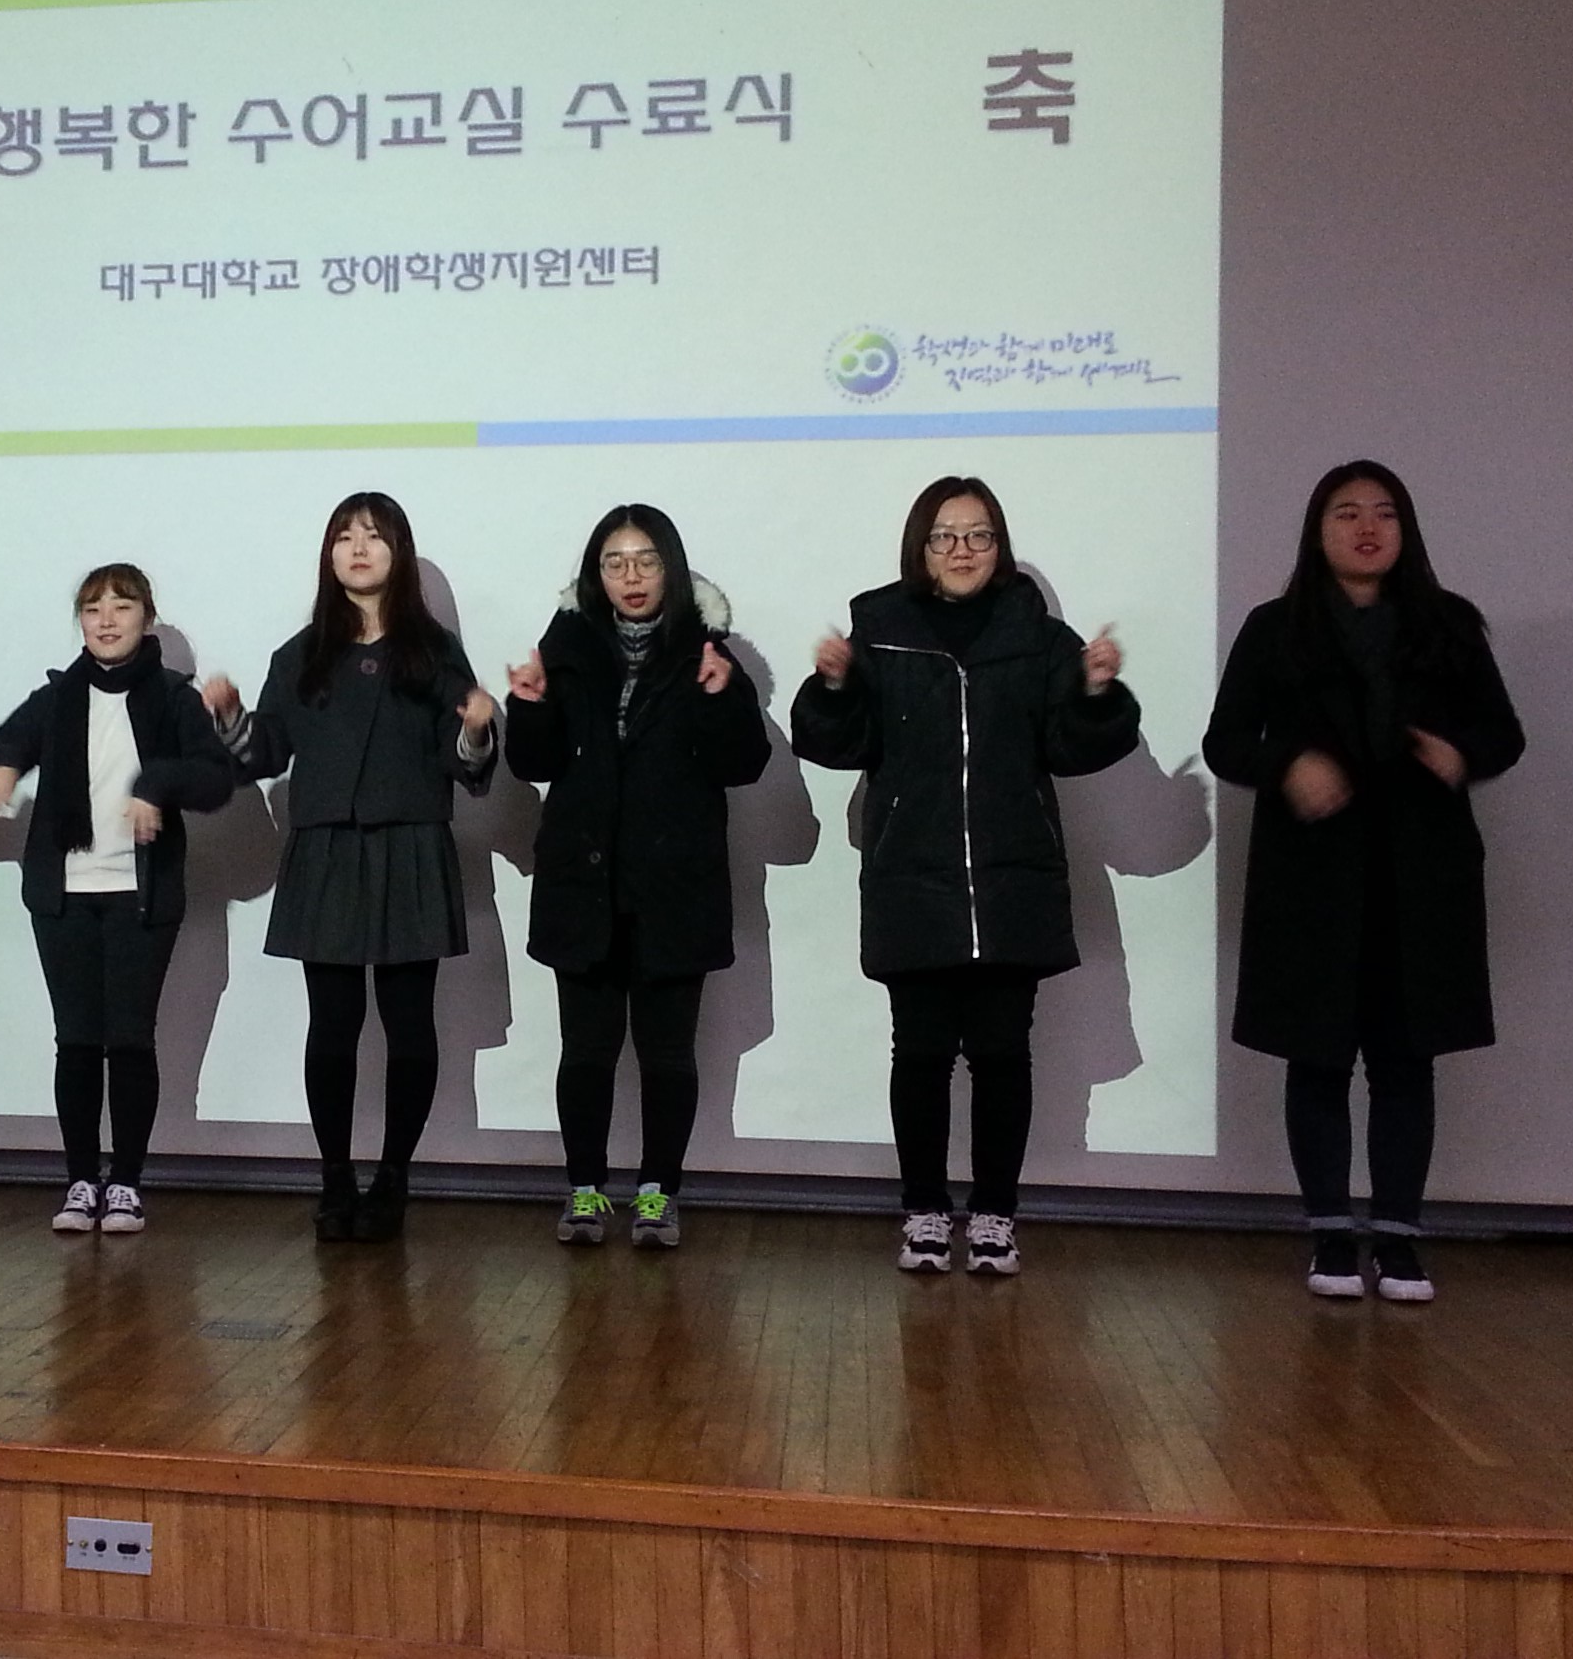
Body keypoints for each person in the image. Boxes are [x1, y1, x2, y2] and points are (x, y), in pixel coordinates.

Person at [790, 475, 1136, 1278]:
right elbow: (838, 743)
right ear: (920, 547)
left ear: (999, 547)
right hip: (913, 876)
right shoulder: (881, 629)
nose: (962, 550)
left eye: (979, 535)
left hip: (1012, 881)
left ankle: (994, 1217)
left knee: (1002, 1056)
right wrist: (835, 686)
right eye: (944, 536)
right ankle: (921, 1211)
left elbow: (1072, 748)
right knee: (919, 1055)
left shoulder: (1039, 637)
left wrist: (1096, 692)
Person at [1204, 462, 1523, 1304]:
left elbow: (1504, 734)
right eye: (1347, 514)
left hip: (1421, 876)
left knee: (1405, 1061)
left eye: (1384, 513)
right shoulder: (1275, 627)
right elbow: (1225, 741)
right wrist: (1287, 763)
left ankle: (1401, 1238)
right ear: (1319, 532)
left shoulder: (1448, 624)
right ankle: (1331, 1235)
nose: (1367, 528)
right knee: (1316, 1058)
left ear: (1406, 531)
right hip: (1312, 877)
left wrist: (1462, 753)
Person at [204, 491, 497, 1244]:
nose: (358, 549)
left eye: (373, 535)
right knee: (332, 1026)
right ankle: (335, 1176)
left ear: (399, 552)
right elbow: (264, 754)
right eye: (344, 536)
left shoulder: (433, 650)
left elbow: (465, 760)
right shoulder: (301, 653)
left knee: (410, 1025)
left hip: (409, 845)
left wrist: (475, 730)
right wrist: (231, 719)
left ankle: (394, 1176)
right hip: (329, 848)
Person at [503, 505, 770, 1249]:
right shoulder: (564, 645)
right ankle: (584, 1189)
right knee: (585, 1053)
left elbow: (744, 763)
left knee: (668, 1054)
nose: (631, 576)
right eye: (615, 562)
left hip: (673, 886)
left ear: (671, 569)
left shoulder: (707, 650)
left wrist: (721, 698)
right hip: (583, 884)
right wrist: (528, 707)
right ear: (596, 574)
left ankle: (659, 1193)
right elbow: (534, 763)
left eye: (646, 560)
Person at [0, 564, 239, 1235]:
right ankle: (81, 1181)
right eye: (92, 608)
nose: (107, 619)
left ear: (148, 616)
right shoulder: (58, 696)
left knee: (130, 1040)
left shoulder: (173, 697)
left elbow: (214, 780)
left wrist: (157, 785)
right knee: (78, 1042)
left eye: (122, 605)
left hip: (140, 894)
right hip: (64, 895)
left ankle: (127, 1184)